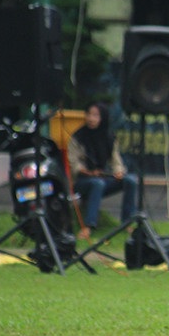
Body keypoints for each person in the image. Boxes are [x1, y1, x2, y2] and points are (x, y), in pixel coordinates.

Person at [67, 102, 139, 241]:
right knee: (97, 183)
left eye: (95, 115)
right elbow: (74, 165)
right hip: (82, 181)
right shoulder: (78, 137)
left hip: (102, 178)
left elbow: (116, 161)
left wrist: (118, 172)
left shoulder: (109, 138)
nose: (91, 118)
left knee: (130, 181)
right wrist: (89, 173)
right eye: (89, 114)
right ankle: (88, 226)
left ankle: (127, 223)